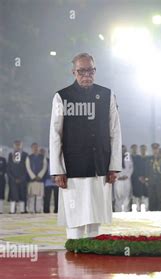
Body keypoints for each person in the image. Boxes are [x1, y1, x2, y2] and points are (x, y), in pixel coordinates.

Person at [49, 52, 122, 239]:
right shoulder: (62, 96)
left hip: (101, 165)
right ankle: (74, 258)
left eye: (90, 71)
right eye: (82, 71)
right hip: (73, 167)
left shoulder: (107, 94)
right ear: (73, 72)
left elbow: (115, 131)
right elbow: (55, 134)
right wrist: (57, 170)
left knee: (95, 218)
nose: (86, 75)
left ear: (95, 71)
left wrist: (114, 166)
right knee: (75, 217)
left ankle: (93, 261)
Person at [7, 140, 28, 214]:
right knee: (13, 194)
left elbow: (26, 168)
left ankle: (22, 210)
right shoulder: (10, 155)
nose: (17, 146)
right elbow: (8, 168)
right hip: (13, 179)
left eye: (19, 145)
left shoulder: (25, 155)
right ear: (13, 146)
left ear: (22, 145)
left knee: (22, 193)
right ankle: (12, 210)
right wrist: (13, 178)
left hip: (22, 179)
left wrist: (22, 178)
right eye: (16, 145)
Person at [26, 142, 47, 213]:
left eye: (36, 147)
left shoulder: (42, 157)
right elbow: (28, 167)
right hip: (31, 180)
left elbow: (44, 167)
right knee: (31, 196)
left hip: (40, 180)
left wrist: (39, 176)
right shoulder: (29, 157)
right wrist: (33, 176)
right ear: (31, 149)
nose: (35, 149)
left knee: (39, 196)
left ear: (38, 148)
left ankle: (38, 210)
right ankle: (31, 210)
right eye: (33, 147)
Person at [145, 143, 161, 211]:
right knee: (151, 196)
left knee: (160, 196)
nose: (155, 150)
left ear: (158, 149)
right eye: (154, 149)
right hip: (151, 180)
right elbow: (147, 169)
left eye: (156, 149)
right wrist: (146, 178)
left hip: (159, 180)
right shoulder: (149, 158)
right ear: (152, 150)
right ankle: (152, 210)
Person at [113, 145, 133, 212]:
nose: (123, 151)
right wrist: (117, 176)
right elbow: (113, 167)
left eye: (124, 149)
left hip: (126, 179)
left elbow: (131, 167)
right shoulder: (115, 157)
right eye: (121, 150)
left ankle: (126, 211)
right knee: (118, 197)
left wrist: (127, 175)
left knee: (127, 196)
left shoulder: (128, 157)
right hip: (118, 180)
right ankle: (117, 211)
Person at [131, 144, 149, 211]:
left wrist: (146, 178)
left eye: (144, 149)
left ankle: (146, 209)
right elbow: (135, 169)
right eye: (142, 149)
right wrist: (139, 177)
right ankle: (138, 209)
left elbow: (149, 169)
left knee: (146, 195)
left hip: (146, 179)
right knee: (138, 194)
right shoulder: (137, 158)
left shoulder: (148, 158)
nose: (143, 150)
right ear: (140, 150)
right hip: (138, 179)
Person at [41, 148, 59, 214]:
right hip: (48, 181)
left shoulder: (58, 160)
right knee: (47, 197)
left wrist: (55, 176)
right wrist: (49, 176)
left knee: (56, 197)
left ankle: (56, 210)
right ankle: (46, 210)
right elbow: (44, 170)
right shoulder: (46, 160)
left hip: (56, 181)